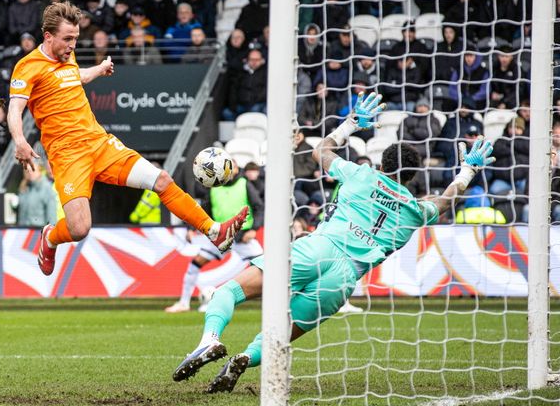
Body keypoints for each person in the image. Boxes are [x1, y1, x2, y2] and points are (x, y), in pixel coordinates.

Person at [171, 92, 495, 393]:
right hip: (344, 279)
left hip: (318, 248)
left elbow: (321, 151)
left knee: (229, 291)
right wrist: (467, 171)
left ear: (382, 164)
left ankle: (210, 339)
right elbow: (444, 202)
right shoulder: (415, 210)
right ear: (412, 176)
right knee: (281, 332)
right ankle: (242, 358)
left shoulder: (362, 174)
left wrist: (351, 123)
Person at [7, 2, 249, 276]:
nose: (72, 45)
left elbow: (73, 77)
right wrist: (20, 141)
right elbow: (15, 108)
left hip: (100, 144)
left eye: (75, 38)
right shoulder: (27, 67)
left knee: (161, 180)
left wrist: (99, 69)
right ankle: (50, 237)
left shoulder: (67, 56)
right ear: (48, 36)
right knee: (79, 228)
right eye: (67, 39)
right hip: (68, 156)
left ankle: (214, 231)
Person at [165, 159, 263, 313]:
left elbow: (259, 208)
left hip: (242, 237)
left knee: (266, 267)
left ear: (237, 170)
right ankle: (184, 303)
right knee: (195, 263)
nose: (229, 170)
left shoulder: (245, 184)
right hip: (220, 236)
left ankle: (275, 302)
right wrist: (191, 228)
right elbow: (203, 210)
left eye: (232, 167)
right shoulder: (214, 188)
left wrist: (254, 229)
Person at [17, 162, 57, 227]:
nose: (30, 173)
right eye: (27, 171)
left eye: (33, 169)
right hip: (24, 230)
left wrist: (50, 231)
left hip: (39, 230)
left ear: (39, 170)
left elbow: (51, 217)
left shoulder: (47, 188)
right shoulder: (23, 188)